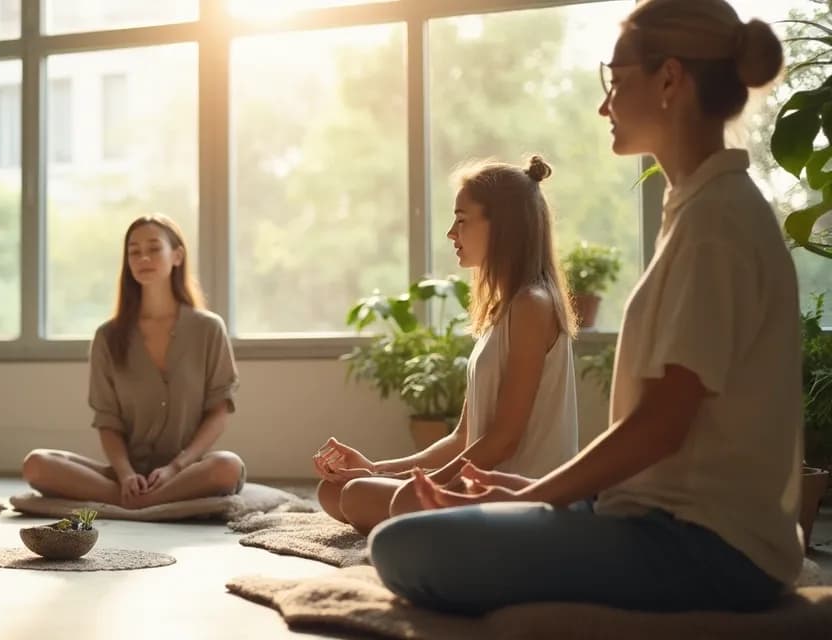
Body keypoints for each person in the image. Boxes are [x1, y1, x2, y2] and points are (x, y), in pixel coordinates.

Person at [370, 0, 799, 615]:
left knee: (402, 546)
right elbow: (675, 441)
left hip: (707, 549)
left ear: (670, 80)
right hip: (669, 518)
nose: (605, 104)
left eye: (616, 82)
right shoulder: (701, 211)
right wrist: (537, 494)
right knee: (417, 526)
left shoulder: (716, 225)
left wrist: (538, 498)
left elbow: (661, 424)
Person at [314, 156, 580, 534]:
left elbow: (504, 439)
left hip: (520, 497)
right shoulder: (503, 312)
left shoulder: (532, 304)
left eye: (461, 219)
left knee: (358, 495)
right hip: (479, 487)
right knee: (335, 490)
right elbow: (461, 438)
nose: (451, 233)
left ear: (501, 226)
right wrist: (376, 468)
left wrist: (427, 485)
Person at [21, 215, 245, 508]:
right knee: (36, 464)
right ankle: (143, 500)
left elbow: (218, 412)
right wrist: (126, 475)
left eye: (154, 248)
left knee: (227, 467)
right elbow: (108, 421)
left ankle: (132, 503)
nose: (143, 257)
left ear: (177, 256)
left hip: (187, 471)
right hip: (126, 474)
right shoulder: (108, 336)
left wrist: (176, 467)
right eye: (134, 251)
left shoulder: (209, 329)